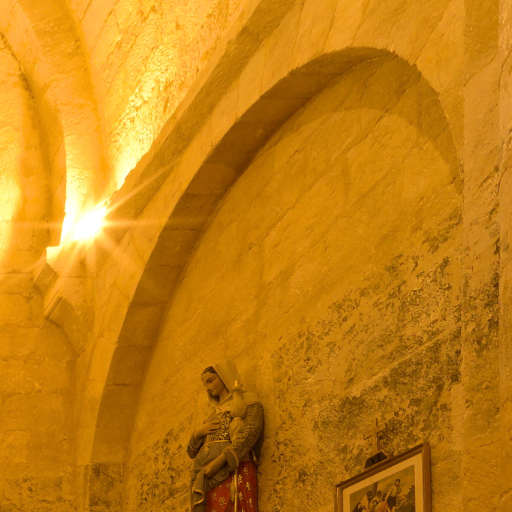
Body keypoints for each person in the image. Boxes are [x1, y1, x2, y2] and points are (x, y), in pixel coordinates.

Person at [187, 361, 264, 512]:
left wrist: (221, 460)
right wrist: (197, 433)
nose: (208, 387)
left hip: (231, 467)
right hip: (205, 473)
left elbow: (250, 432)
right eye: (205, 384)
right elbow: (191, 452)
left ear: (224, 376)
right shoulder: (212, 414)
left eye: (211, 380)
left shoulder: (246, 401)